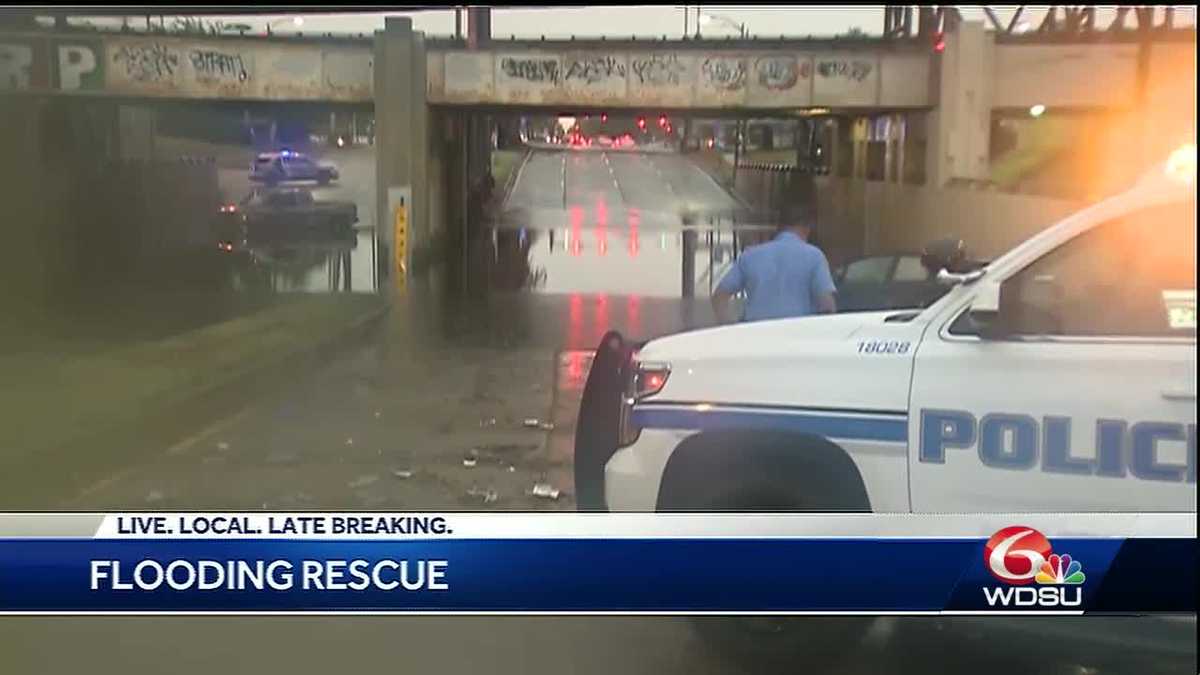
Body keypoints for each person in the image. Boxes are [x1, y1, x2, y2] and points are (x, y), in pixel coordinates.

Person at [711, 214, 837, 324]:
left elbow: (719, 297)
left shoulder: (750, 256)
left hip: (756, 338)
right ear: (807, 229)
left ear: (779, 229)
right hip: (798, 339)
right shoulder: (814, 256)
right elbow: (827, 304)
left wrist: (731, 328)